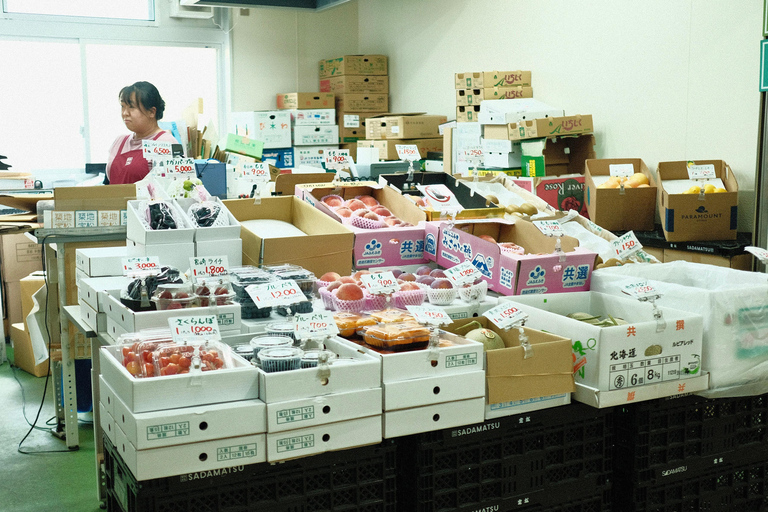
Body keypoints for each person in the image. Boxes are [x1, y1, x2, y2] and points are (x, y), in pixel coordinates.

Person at [105, 81, 178, 184]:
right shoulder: (120, 141)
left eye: (131, 107)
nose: (125, 113)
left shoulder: (165, 143)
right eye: (122, 106)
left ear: (151, 112)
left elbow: (170, 187)